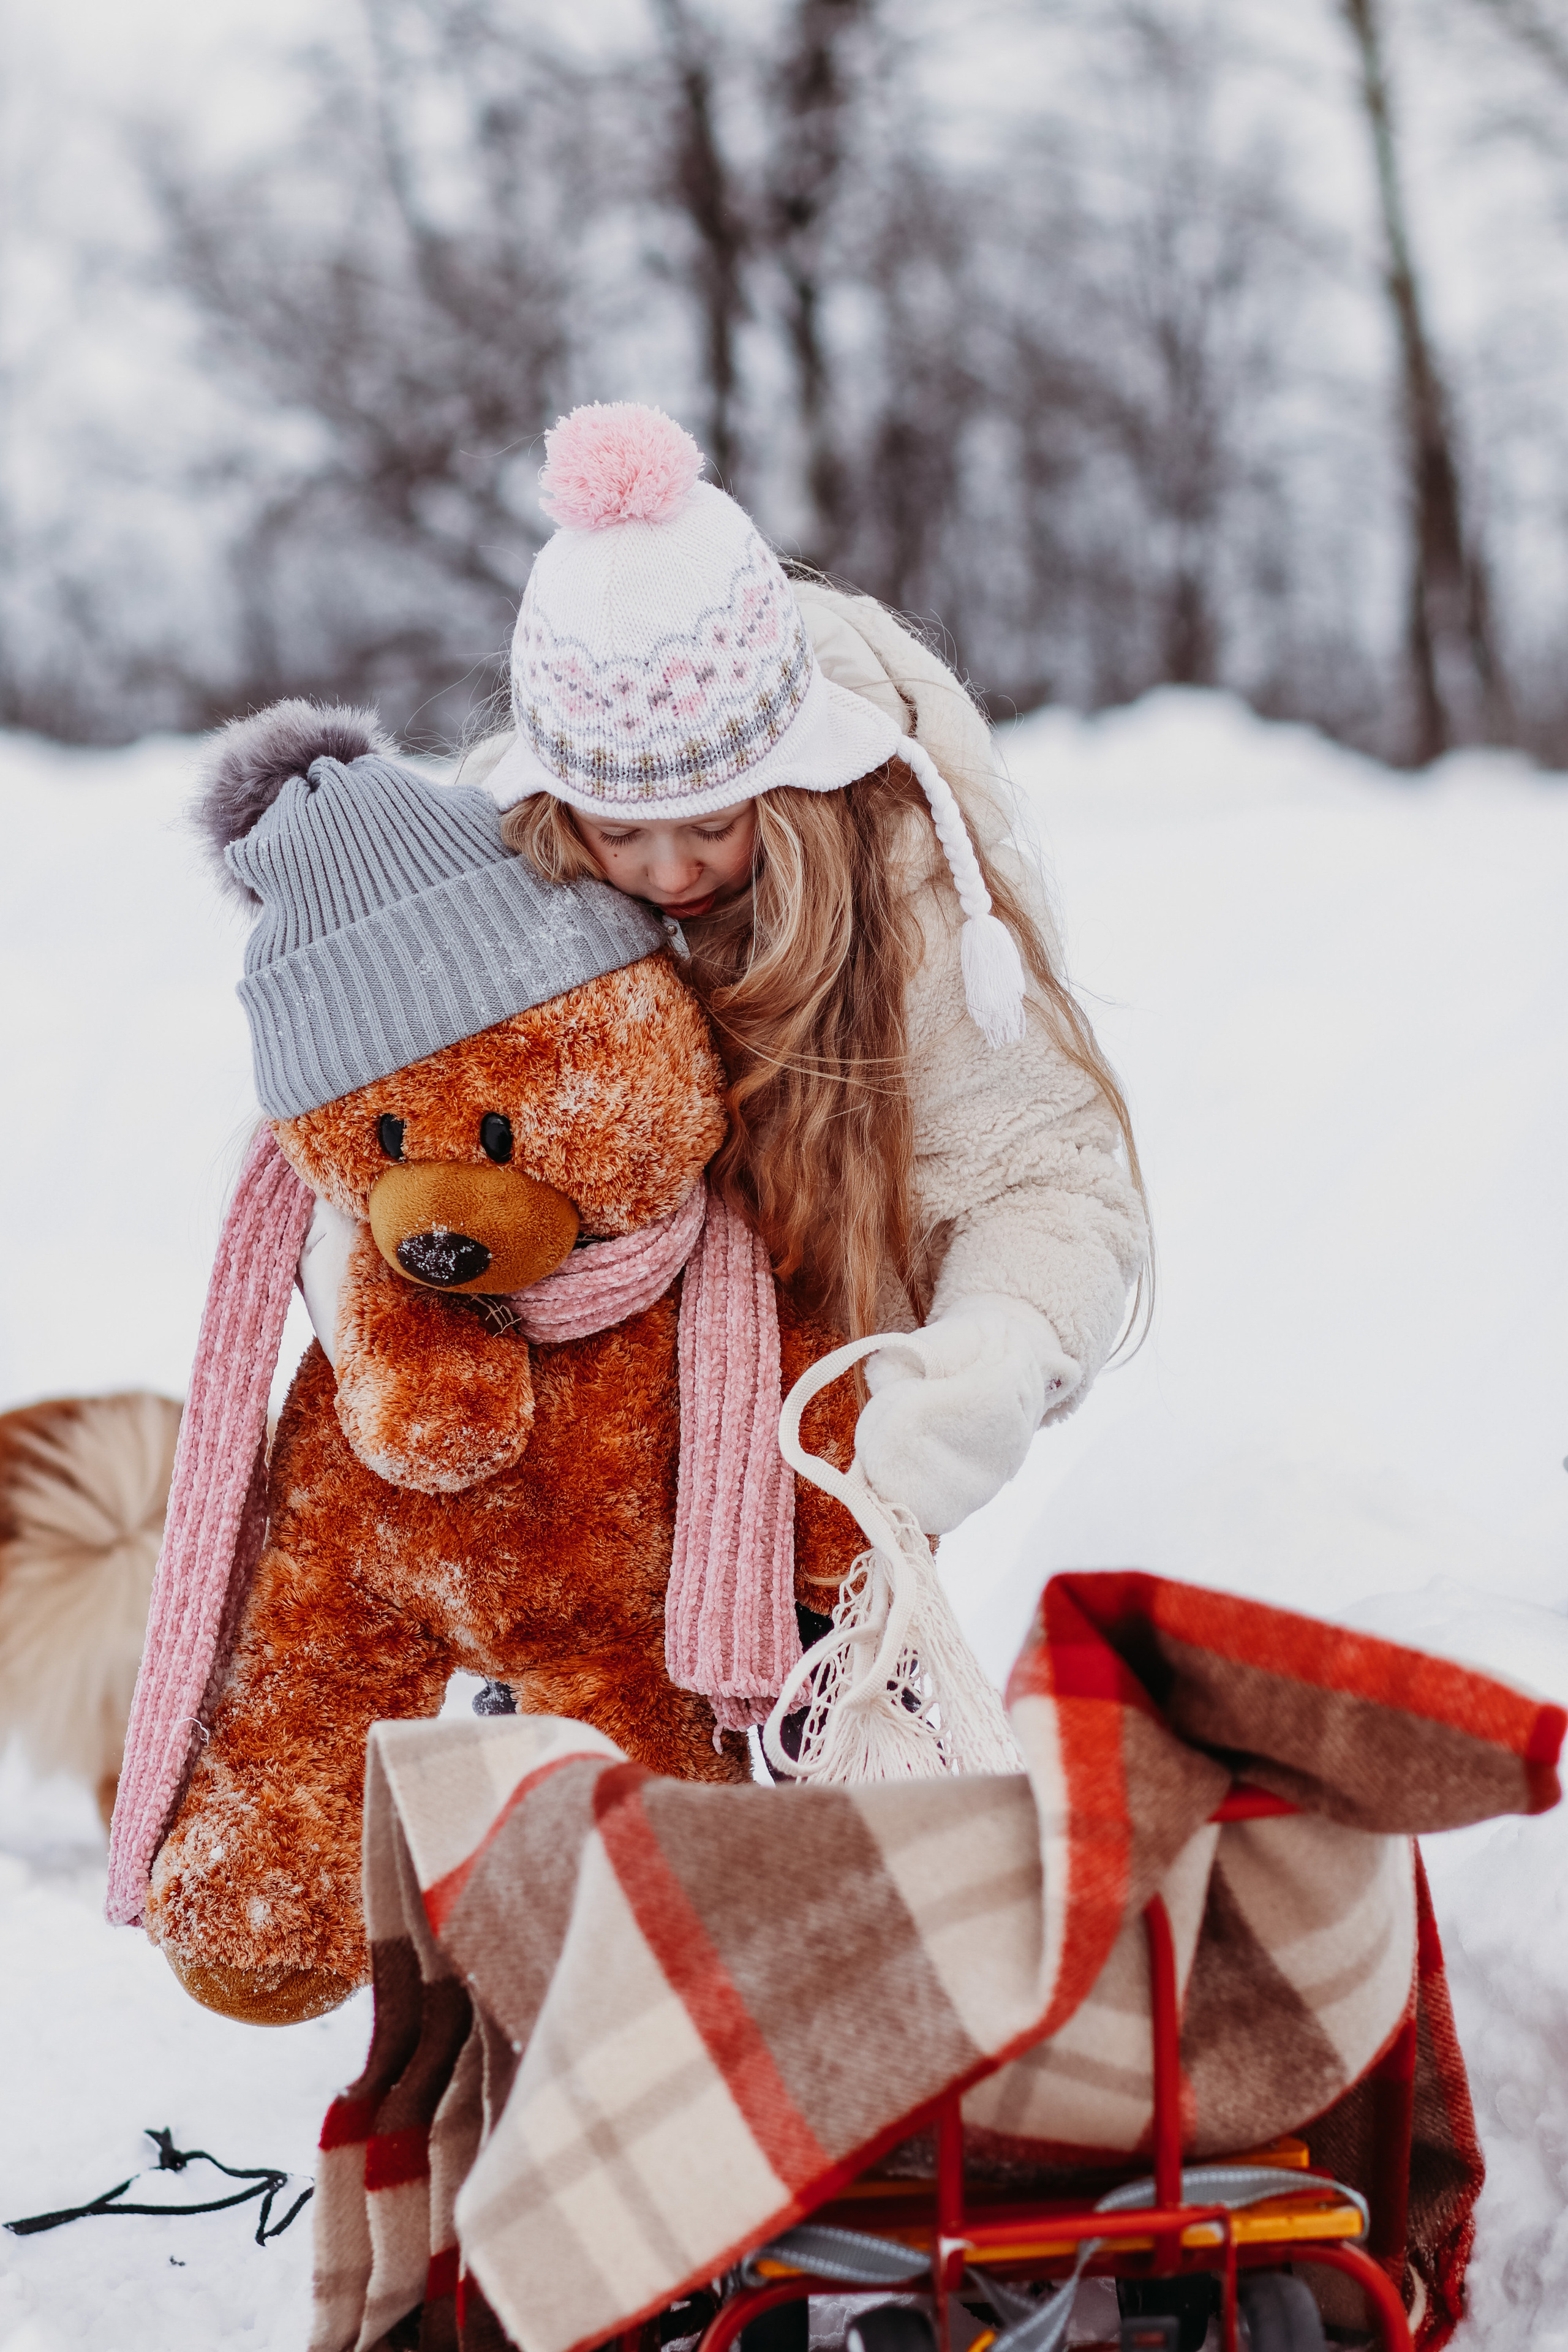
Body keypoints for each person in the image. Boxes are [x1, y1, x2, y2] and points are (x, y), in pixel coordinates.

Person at [302, 400, 1148, 1537]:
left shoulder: (910, 891)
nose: (666, 867)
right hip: (552, 1488)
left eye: (711, 822)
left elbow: (1037, 1176)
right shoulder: (485, 909)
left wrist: (991, 1348)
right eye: (616, 830)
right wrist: (388, 1327)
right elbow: (368, 1158)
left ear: (793, 783)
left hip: (818, 1466)